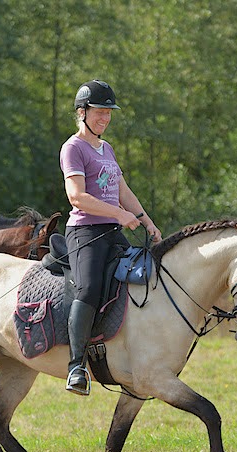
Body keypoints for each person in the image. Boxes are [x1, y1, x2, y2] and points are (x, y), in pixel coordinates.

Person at [59, 80, 162, 395]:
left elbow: (122, 190)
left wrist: (148, 222)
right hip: (85, 233)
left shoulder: (107, 149)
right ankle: (76, 367)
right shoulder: (73, 148)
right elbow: (76, 197)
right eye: (99, 112)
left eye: (108, 112)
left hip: (113, 232)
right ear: (82, 112)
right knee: (89, 289)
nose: (104, 118)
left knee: (141, 276)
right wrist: (119, 214)